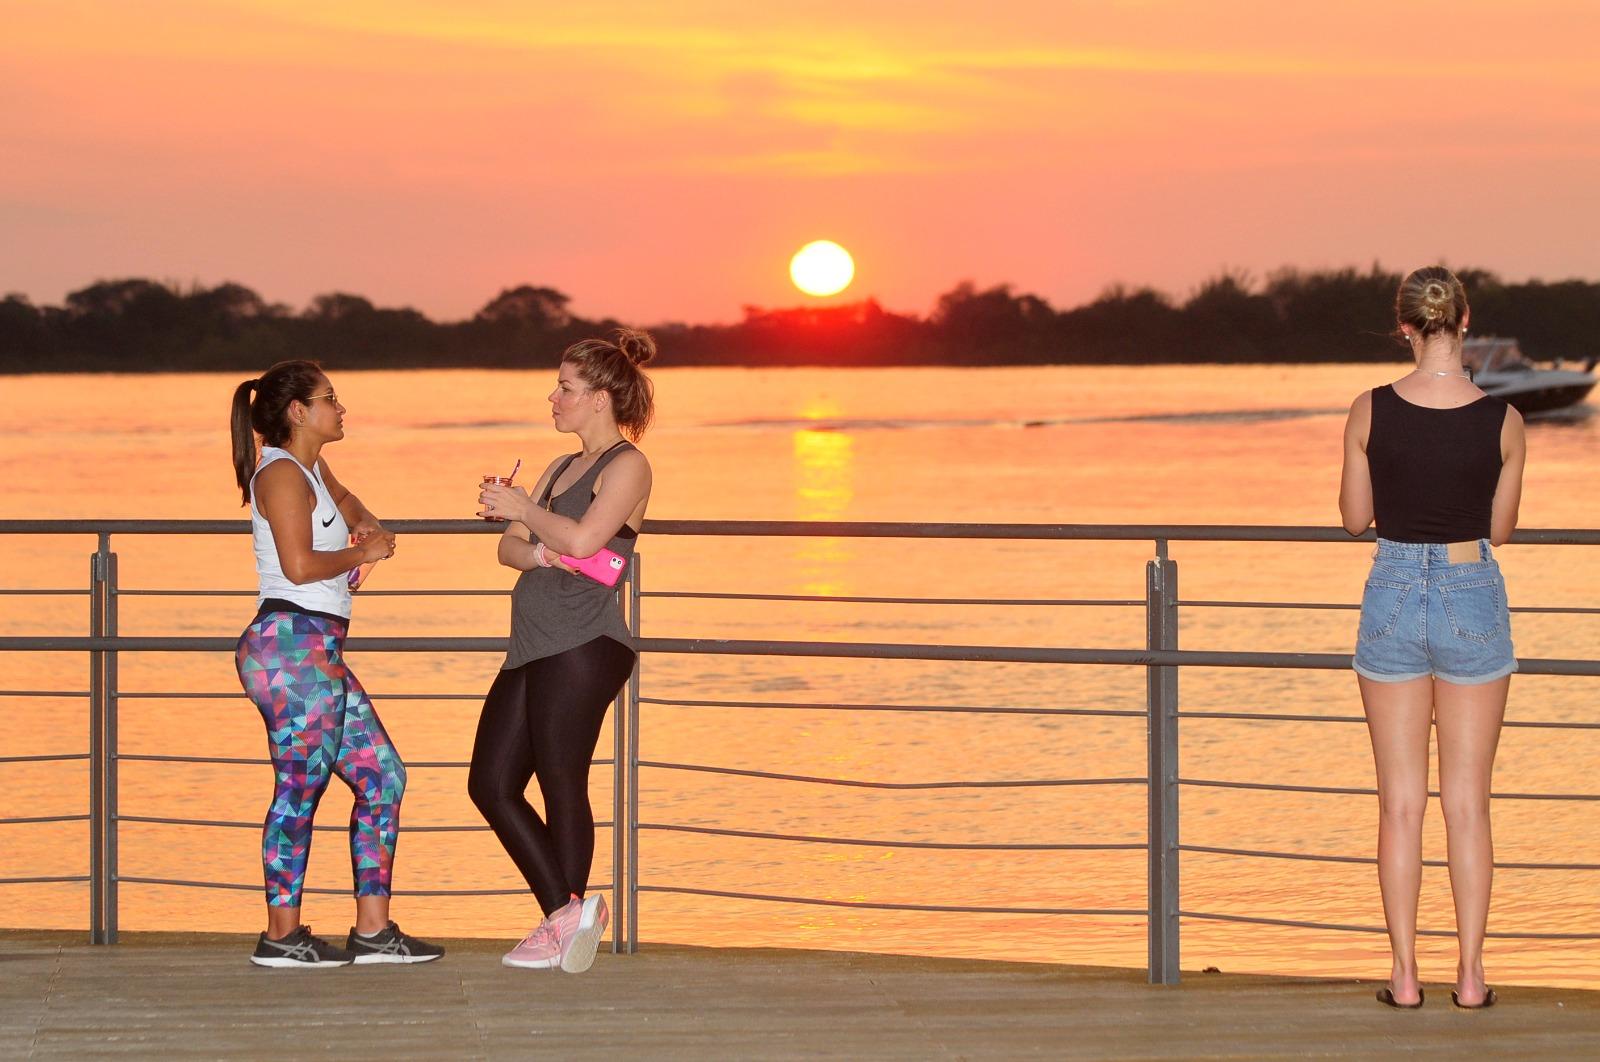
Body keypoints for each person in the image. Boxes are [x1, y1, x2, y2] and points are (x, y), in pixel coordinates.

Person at [1339, 267, 1524, 1010]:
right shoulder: (1504, 423)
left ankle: (1406, 976)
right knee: (1469, 804)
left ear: (1407, 327)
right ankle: (1472, 977)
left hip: (1392, 592)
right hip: (1470, 590)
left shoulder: (1369, 410)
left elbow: (1356, 520)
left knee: (1401, 804)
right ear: (1465, 323)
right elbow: (1501, 531)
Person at [229, 360, 443, 968]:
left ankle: (373, 933)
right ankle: (281, 936)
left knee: (383, 778)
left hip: (316, 648)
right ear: (298, 411)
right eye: (330, 398)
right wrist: (363, 550)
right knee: (300, 788)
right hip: (290, 648)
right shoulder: (279, 477)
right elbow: (297, 566)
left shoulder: (310, 468)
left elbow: (343, 499)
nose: (341, 407)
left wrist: (363, 522)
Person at [470, 329, 655, 973]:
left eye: (565, 387)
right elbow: (510, 550)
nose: (553, 397)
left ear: (601, 398)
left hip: (584, 644)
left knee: (559, 781)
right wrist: (542, 542)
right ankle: (567, 914)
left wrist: (531, 516)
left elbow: (589, 541)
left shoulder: (628, 466)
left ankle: (564, 924)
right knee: (490, 784)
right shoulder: (556, 469)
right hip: (531, 647)